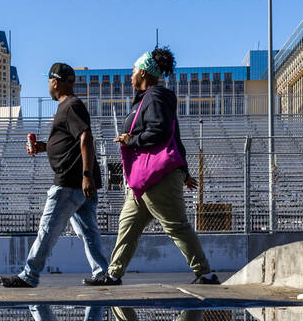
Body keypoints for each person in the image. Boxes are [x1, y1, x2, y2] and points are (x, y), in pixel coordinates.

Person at [84, 48, 220, 287]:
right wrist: (185, 171)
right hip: (143, 180)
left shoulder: (155, 97)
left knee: (175, 226)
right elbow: (174, 138)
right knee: (128, 225)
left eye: (134, 71)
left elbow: (162, 132)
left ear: (144, 73)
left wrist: (130, 140)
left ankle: (206, 273)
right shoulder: (148, 100)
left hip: (157, 178)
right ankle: (113, 274)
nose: (131, 75)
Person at [0, 63, 108, 288]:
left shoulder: (71, 105)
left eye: (49, 81)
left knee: (47, 229)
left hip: (70, 181)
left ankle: (29, 275)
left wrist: (86, 174)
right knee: (88, 230)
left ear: (55, 82)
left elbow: (85, 138)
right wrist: (45, 147)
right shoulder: (66, 107)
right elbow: (69, 143)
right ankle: (102, 273)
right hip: (79, 182)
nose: (48, 85)